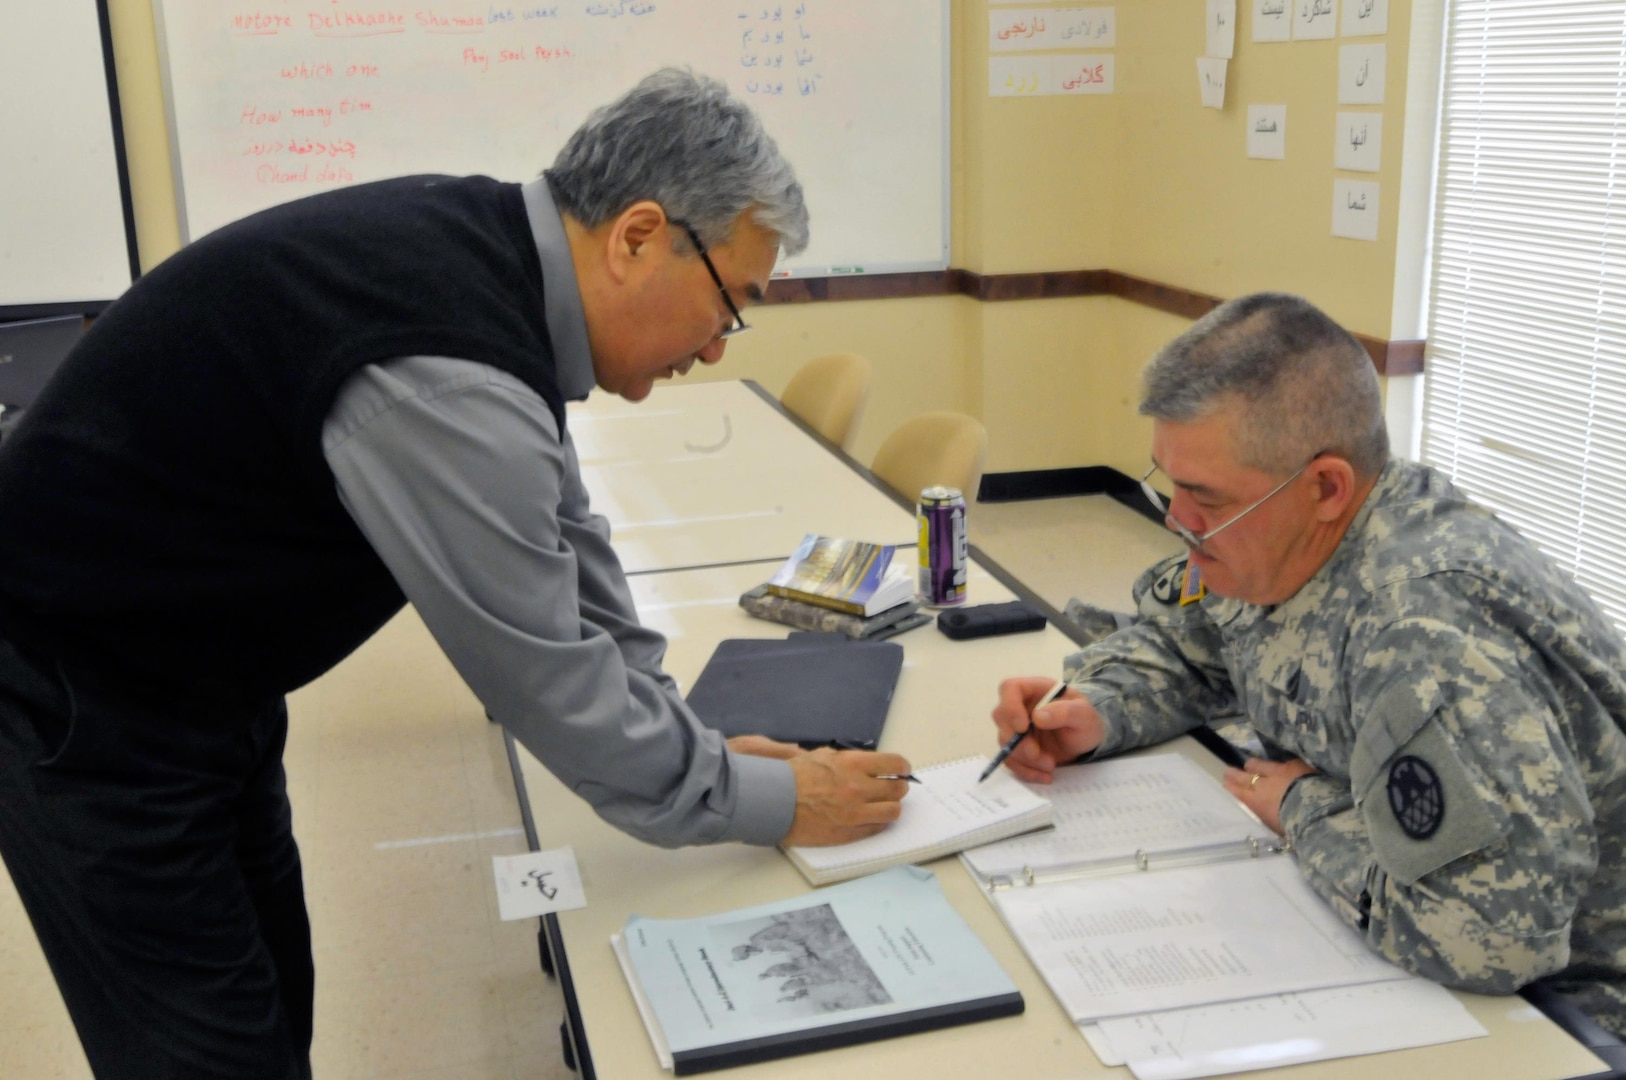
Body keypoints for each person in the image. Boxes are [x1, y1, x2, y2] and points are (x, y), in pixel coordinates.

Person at [0, 68, 911, 1079]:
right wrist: (767, 800)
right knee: (207, 1051)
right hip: (81, 699)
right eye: (731, 301)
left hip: (202, 674)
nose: (714, 345)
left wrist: (696, 746)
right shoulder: (443, 362)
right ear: (638, 236)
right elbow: (546, 677)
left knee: (266, 1003)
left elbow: (574, 548)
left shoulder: (491, 264)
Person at [992, 292, 1626, 1035]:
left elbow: (1487, 939)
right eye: (1168, 481)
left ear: (1325, 486)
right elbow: (1190, 644)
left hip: (1561, 1014)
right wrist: (1097, 709)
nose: (1175, 520)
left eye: (1203, 496)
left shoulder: (1426, 632)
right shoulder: (1275, 538)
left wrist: (1302, 810)